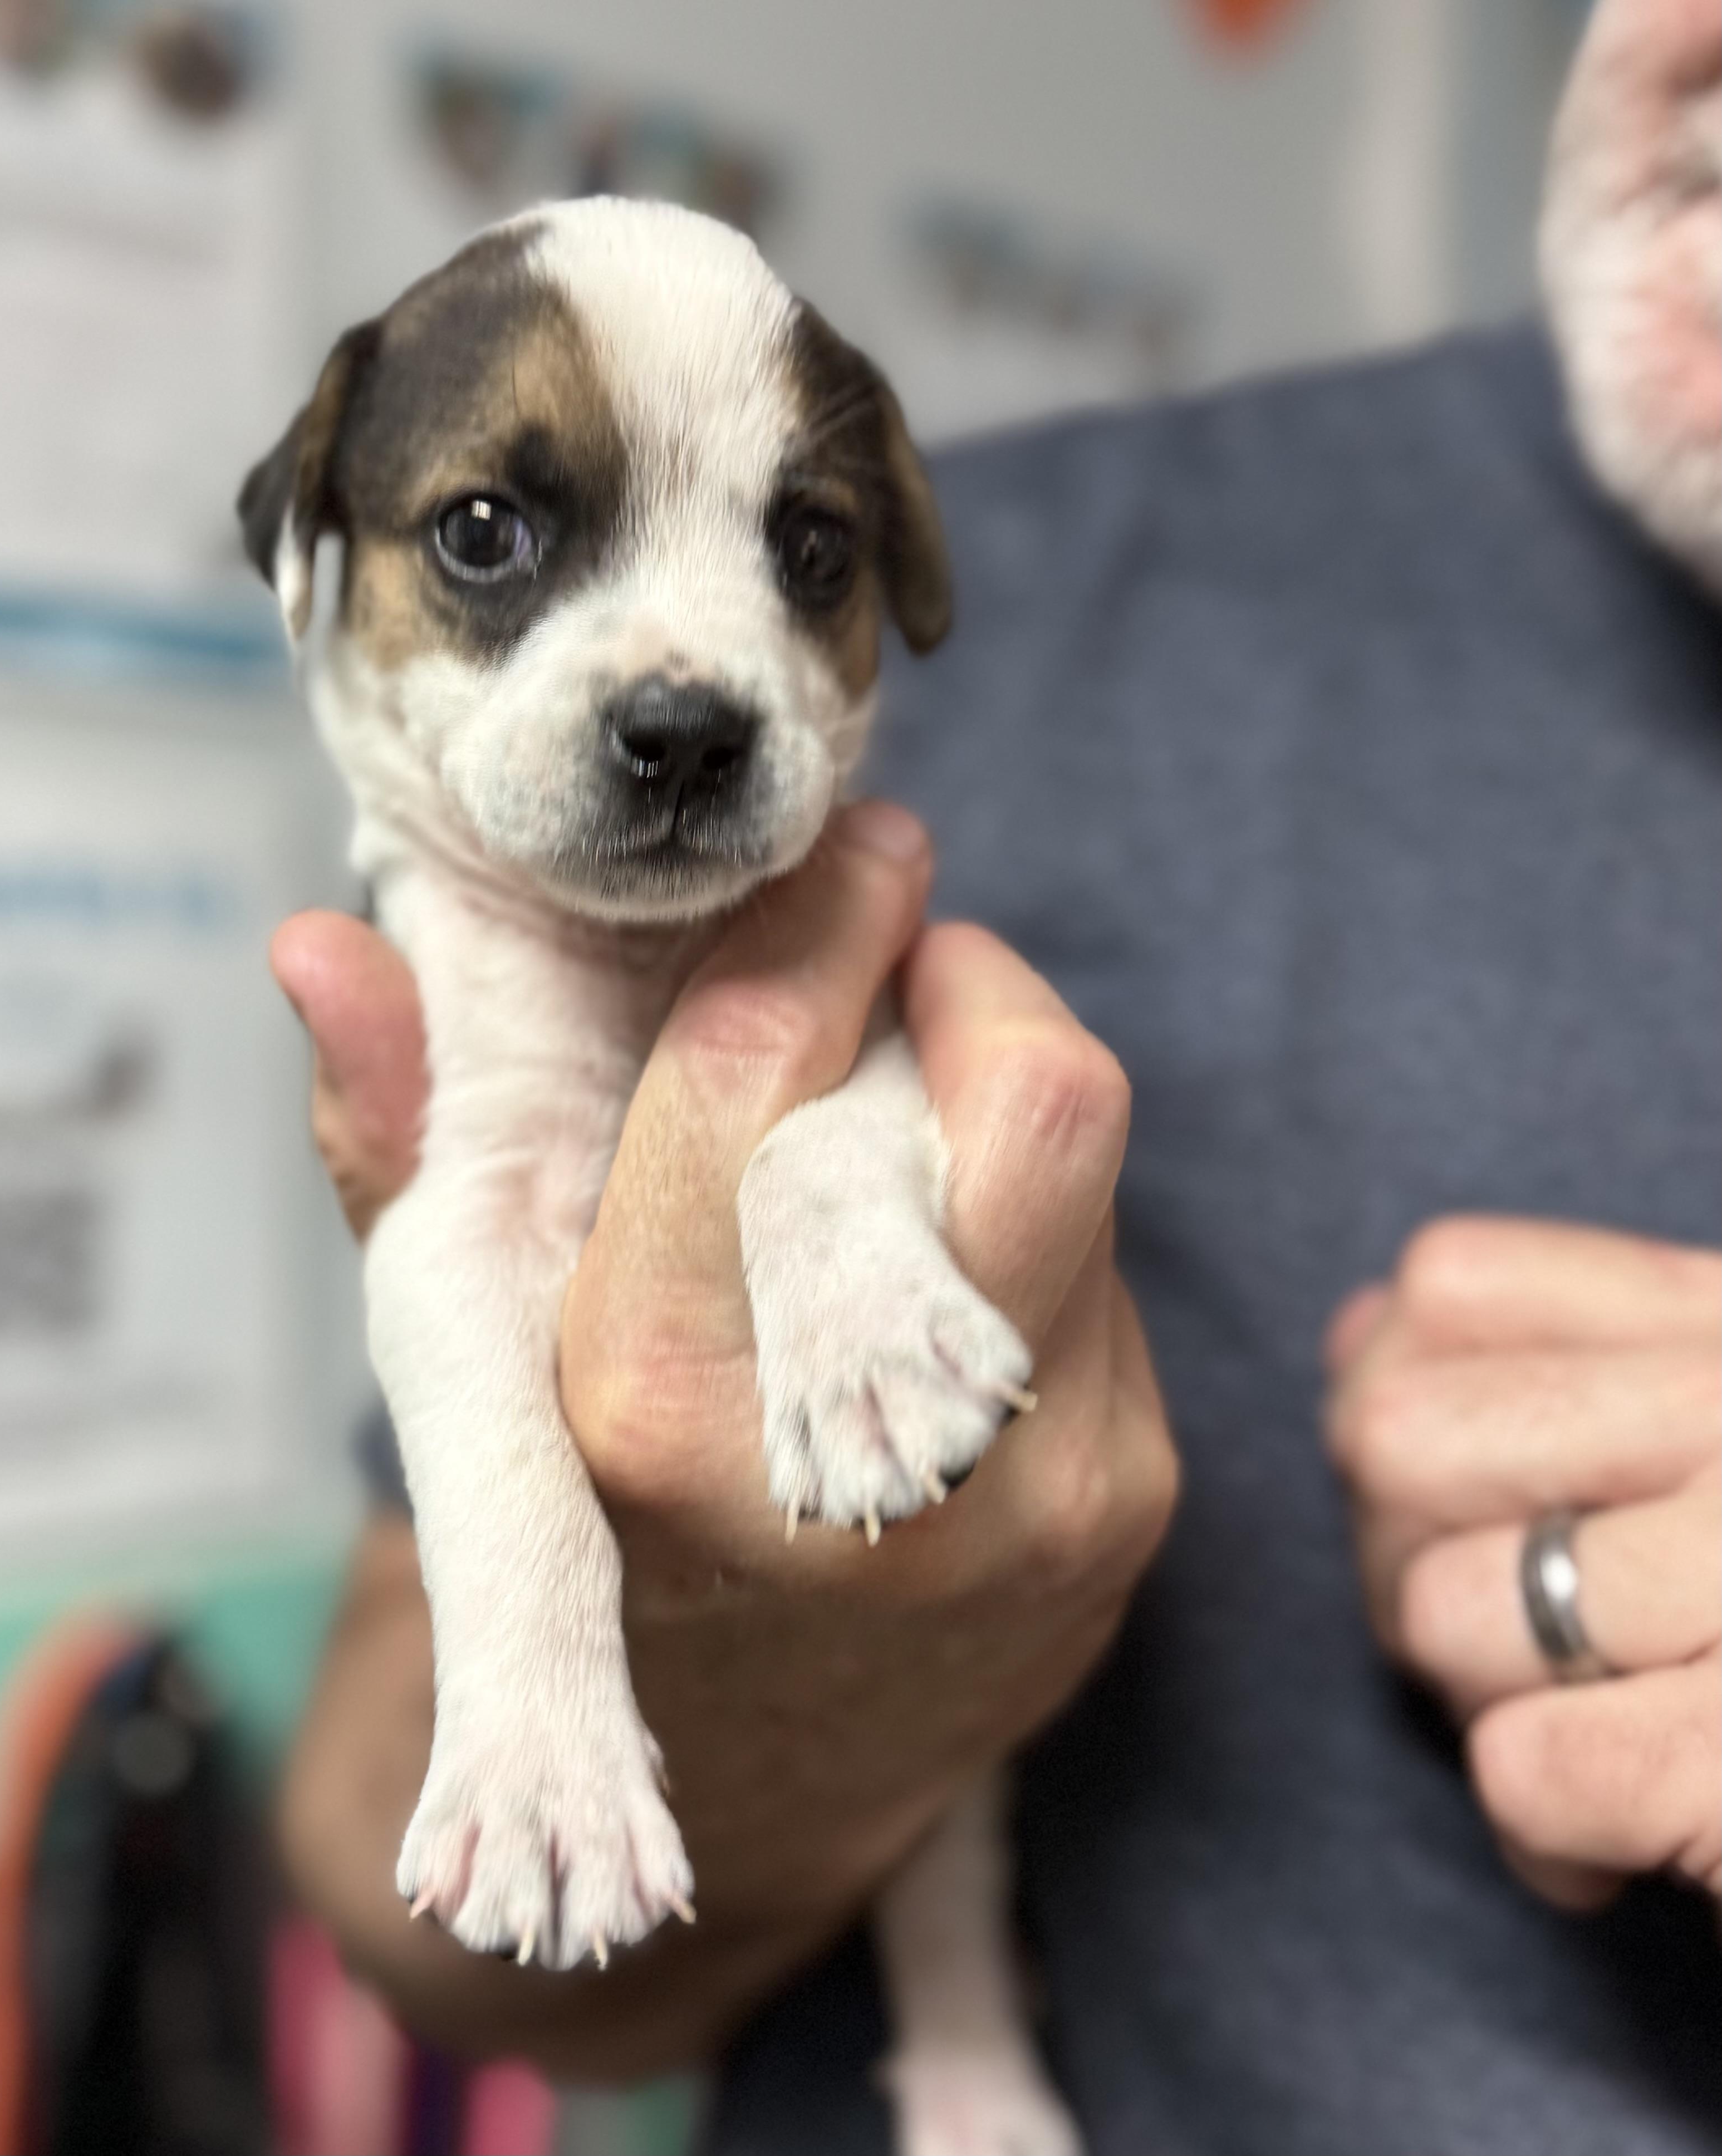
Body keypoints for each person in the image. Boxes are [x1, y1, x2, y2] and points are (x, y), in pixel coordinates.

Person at [271, 0, 1722, 2148]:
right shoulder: (1097, 558)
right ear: (318, 548)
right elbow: (409, 1887)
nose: (682, 691)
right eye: (496, 536)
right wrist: (814, 1675)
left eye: (800, 554)